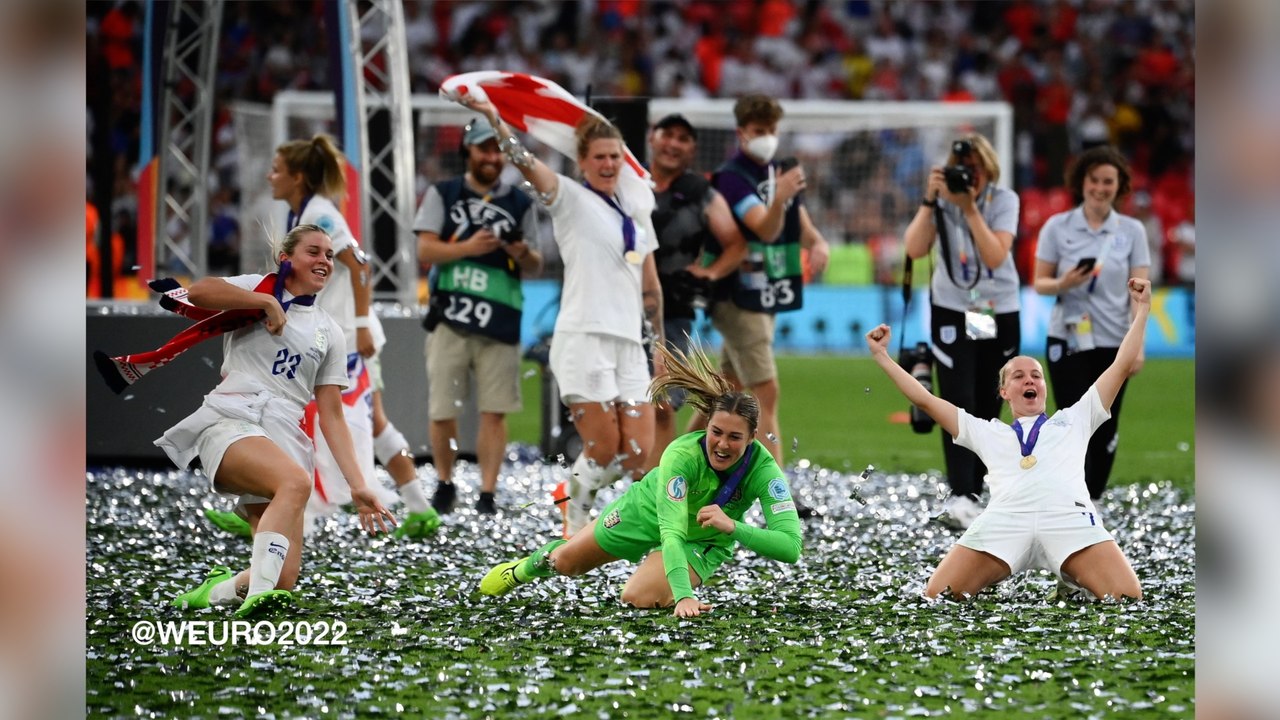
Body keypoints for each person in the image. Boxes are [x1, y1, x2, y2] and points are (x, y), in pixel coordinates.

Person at [863, 276, 1151, 601]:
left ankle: (1072, 574)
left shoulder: (1075, 418)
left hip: (1068, 518)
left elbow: (1121, 364)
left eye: (1036, 376)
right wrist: (882, 356)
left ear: (1043, 388)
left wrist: (1142, 309)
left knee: (1128, 596)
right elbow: (927, 401)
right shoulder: (987, 431)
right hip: (1006, 520)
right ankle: (1039, 573)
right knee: (939, 594)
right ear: (1004, 392)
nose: (1030, 379)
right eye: (1018, 375)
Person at [160, 224, 396, 617]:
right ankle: (255, 599)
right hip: (233, 420)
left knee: (284, 578)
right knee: (294, 482)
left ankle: (210, 594)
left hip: (285, 438)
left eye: (329, 256)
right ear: (286, 258)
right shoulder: (260, 286)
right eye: (313, 252)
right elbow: (198, 291)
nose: (324, 261)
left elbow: (332, 415)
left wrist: (360, 485)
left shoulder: (330, 332)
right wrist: (266, 303)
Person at [455, 95, 663, 538]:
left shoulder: (638, 215)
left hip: (630, 344)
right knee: (604, 449)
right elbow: (526, 162)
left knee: (640, 453)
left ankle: (572, 492)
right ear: (583, 162)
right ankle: (577, 515)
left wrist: (658, 347)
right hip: (583, 338)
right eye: (599, 157)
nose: (609, 164)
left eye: (614, 156)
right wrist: (497, 119)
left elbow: (650, 286)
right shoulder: (570, 198)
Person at [478, 343, 803, 617]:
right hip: (648, 510)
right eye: (716, 432)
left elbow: (790, 547)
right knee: (566, 563)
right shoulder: (681, 457)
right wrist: (684, 595)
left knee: (638, 599)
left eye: (735, 437)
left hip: (704, 540)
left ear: (752, 437)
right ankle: (527, 567)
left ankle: (660, 574)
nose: (721, 444)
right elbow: (671, 531)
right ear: (706, 426)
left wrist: (733, 527)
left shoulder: (764, 470)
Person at [262, 133, 439, 538]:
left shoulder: (321, 214)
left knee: (320, 416)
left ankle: (295, 511)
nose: (269, 176)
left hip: (345, 337)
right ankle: (418, 506)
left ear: (299, 177)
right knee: (374, 421)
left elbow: (360, 267)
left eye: (277, 169)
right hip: (336, 334)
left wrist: (360, 325)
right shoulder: (304, 213)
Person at [414, 117, 542, 515]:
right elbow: (425, 252)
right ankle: (445, 482)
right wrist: (469, 247)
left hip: (501, 322)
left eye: (496, 150)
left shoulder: (521, 203)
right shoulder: (443, 193)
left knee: (495, 410)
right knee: (442, 410)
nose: (491, 157)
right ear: (467, 150)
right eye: (484, 148)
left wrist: (522, 253)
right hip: (451, 317)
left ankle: (487, 493)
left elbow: (537, 264)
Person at [699, 93, 830, 473]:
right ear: (741, 133)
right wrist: (781, 195)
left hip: (769, 290)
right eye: (759, 130)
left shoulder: (780, 171)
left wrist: (817, 241)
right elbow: (766, 227)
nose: (767, 137)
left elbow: (795, 219)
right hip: (738, 293)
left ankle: (681, 457)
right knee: (765, 391)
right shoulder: (731, 179)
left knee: (727, 388)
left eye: (771, 130)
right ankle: (778, 489)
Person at [902, 133, 1021, 530]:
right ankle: (961, 493)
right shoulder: (941, 201)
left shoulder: (1004, 201)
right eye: (961, 170)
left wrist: (970, 209)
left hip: (994, 305)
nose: (968, 178)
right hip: (953, 306)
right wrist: (929, 200)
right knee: (957, 400)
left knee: (989, 401)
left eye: (974, 170)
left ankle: (980, 488)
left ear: (988, 169)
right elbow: (915, 249)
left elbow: (995, 254)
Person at [1033, 145, 1150, 506]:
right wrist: (1063, 283)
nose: (1100, 188)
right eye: (1094, 180)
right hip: (1067, 336)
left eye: (1108, 182)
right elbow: (1039, 282)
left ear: (1119, 186)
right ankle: (1069, 495)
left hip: (1114, 339)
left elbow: (1141, 292)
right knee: (1070, 421)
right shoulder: (1058, 226)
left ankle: (1093, 501)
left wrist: (1138, 345)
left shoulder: (1132, 231)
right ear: (1081, 183)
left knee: (1105, 423)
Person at [645, 113, 747, 466]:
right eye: (667, 135)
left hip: (672, 309)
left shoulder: (700, 193)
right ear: (651, 138)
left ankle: (655, 484)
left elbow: (736, 243)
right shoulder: (630, 181)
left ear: (693, 149)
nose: (673, 144)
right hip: (617, 307)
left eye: (683, 138)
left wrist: (708, 273)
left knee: (662, 402)